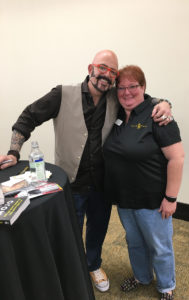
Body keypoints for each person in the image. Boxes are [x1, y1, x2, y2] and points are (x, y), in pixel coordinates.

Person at [0, 51, 173, 292]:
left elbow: (145, 99)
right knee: (69, 231)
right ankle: (70, 269)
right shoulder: (62, 93)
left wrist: (166, 103)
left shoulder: (115, 97)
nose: (107, 75)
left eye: (113, 71)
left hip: (103, 183)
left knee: (98, 229)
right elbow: (28, 117)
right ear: (91, 68)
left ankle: (93, 265)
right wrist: (14, 152)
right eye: (103, 68)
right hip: (71, 181)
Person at [103, 65, 184, 299]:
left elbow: (177, 158)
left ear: (143, 87)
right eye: (122, 88)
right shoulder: (117, 112)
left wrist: (171, 198)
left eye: (133, 87)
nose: (127, 93)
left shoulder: (157, 115)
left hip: (153, 201)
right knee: (135, 242)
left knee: (159, 246)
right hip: (125, 198)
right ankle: (142, 276)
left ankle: (166, 286)